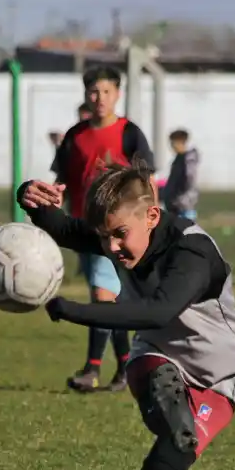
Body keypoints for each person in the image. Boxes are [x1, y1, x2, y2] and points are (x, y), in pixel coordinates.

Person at [17, 163, 235, 470]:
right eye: (104, 238)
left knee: (170, 463)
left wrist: (74, 310)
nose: (110, 248)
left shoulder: (192, 252)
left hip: (219, 379)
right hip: (156, 355)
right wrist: (28, 196)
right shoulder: (122, 233)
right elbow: (61, 226)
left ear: (152, 216)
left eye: (119, 235)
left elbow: (158, 308)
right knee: (161, 384)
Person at [49, 66, 155, 394]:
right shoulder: (75, 136)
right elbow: (62, 180)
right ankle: (125, 368)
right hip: (84, 227)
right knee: (110, 299)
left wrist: (152, 218)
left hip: (119, 229)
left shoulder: (129, 133)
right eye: (94, 92)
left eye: (107, 92)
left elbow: (147, 179)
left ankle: (92, 368)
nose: (100, 99)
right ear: (85, 95)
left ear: (118, 94)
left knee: (102, 297)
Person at [162, 129, 201, 220]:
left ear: (180, 142)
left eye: (173, 143)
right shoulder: (178, 159)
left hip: (184, 206)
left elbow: (189, 179)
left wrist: (180, 198)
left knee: (186, 232)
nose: (171, 146)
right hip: (175, 205)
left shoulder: (187, 161)